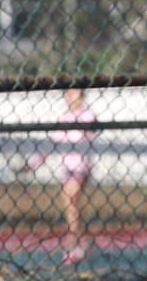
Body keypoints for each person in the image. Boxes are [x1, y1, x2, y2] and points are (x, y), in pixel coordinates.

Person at [23, 87, 96, 263]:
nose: (72, 97)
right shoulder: (64, 118)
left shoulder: (87, 115)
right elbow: (51, 145)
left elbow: (92, 133)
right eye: (69, 93)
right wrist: (32, 164)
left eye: (76, 93)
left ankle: (72, 244)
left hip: (80, 167)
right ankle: (82, 240)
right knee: (71, 207)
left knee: (72, 201)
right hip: (67, 169)